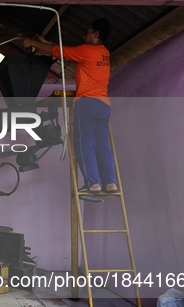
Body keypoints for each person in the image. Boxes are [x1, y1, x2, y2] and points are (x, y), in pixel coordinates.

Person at [23, 18, 117, 194]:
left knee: (84, 144)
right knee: (103, 145)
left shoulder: (87, 51)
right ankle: (110, 183)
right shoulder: (105, 53)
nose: (84, 35)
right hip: (104, 105)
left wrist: (32, 42)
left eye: (88, 31)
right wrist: (46, 42)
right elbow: (64, 50)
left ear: (96, 34)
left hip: (87, 103)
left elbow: (58, 52)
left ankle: (93, 184)